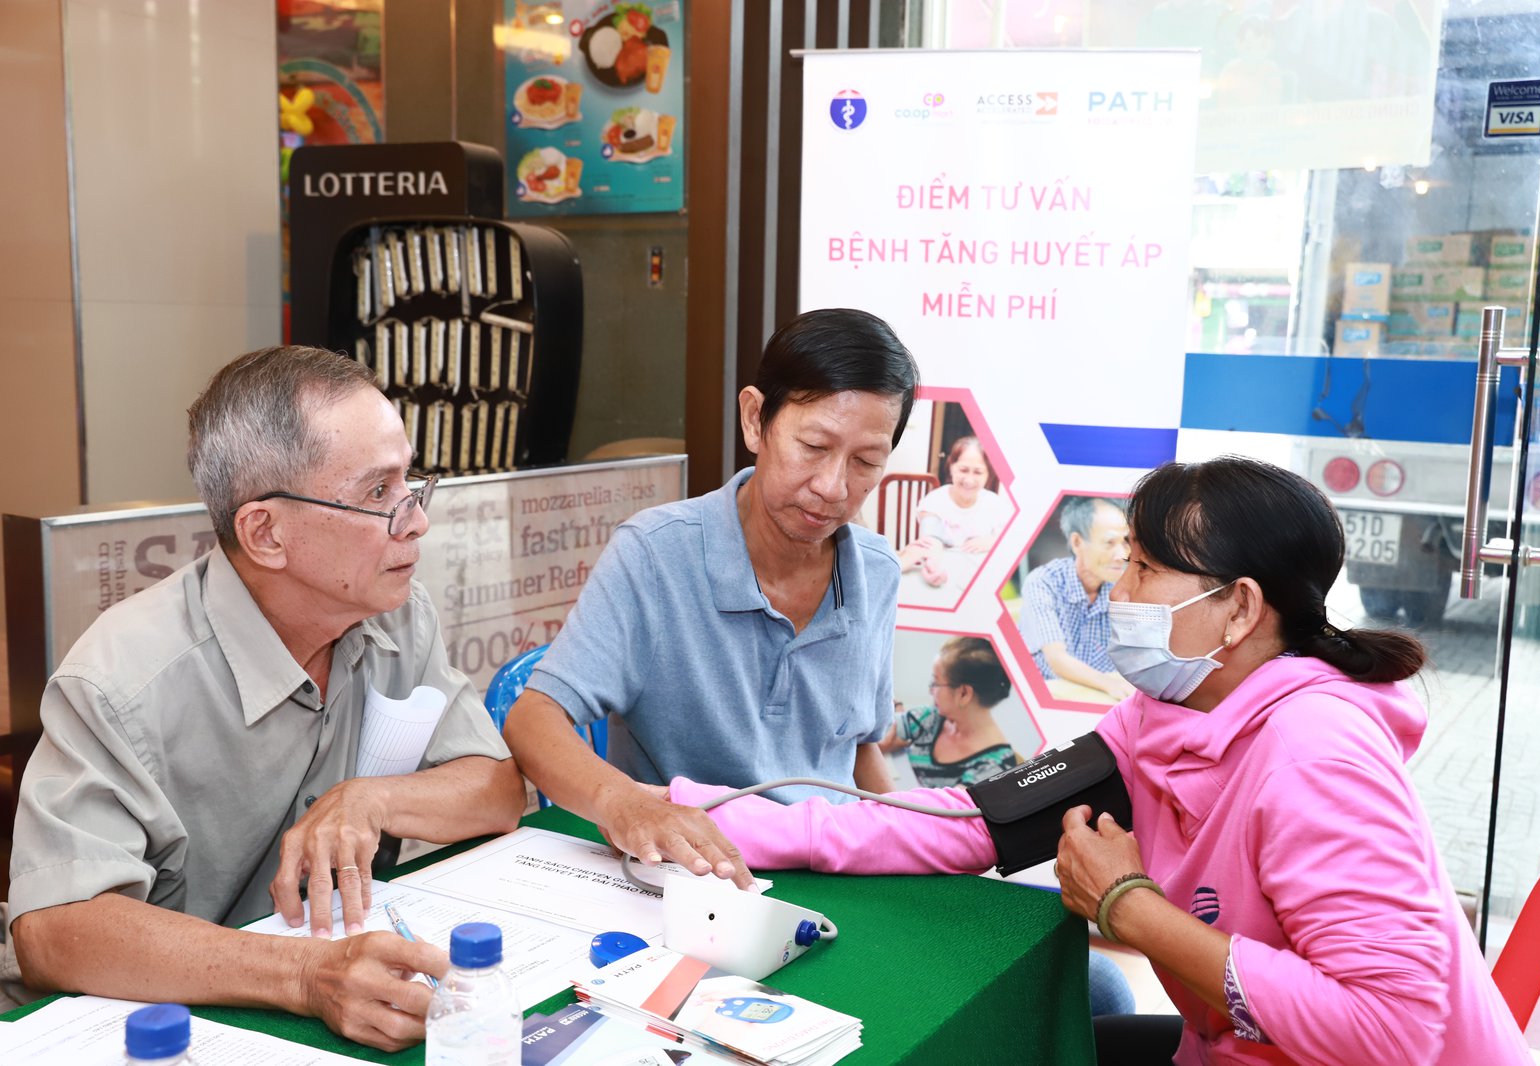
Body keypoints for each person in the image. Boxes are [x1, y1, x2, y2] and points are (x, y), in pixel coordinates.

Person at [658, 457, 1532, 1065]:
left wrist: (1133, 910)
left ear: (1239, 611)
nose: (1119, 592)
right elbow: (971, 822)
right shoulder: (1163, 718)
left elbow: (1393, 1033)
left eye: (1147, 570)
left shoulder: (1316, 752)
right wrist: (706, 819)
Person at [1, 346, 526, 1052]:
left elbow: (495, 789)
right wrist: (307, 975)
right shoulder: (123, 679)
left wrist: (372, 799)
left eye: (412, 483)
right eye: (378, 494)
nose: (415, 521)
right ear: (266, 533)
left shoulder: (396, 613)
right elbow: (55, 931)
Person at [503, 308, 918, 890]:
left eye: (866, 462)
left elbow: (857, 754)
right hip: (685, 881)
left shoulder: (875, 572)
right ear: (755, 420)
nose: (832, 486)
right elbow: (532, 718)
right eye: (813, 446)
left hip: (832, 872)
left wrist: (915, 837)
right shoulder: (655, 555)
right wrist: (624, 804)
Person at [1019, 495, 1134, 700]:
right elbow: (1056, 658)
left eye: (1125, 542)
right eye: (1109, 542)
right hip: (1049, 701)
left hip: (1100, 699)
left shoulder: (1123, 587)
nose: (1122, 554)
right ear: (1077, 542)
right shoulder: (1043, 582)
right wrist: (1108, 683)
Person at [880, 636, 1021, 787]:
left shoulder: (994, 768)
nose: (930, 690)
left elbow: (942, 810)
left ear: (964, 694)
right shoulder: (929, 719)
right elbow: (875, 734)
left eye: (935, 683)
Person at [897, 436, 1007, 588]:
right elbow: (931, 540)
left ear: (988, 474)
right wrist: (933, 567)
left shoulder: (996, 504)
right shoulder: (934, 501)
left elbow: (1009, 543)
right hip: (942, 579)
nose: (969, 479)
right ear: (951, 466)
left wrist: (993, 541)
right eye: (963, 470)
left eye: (978, 472)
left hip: (978, 584)